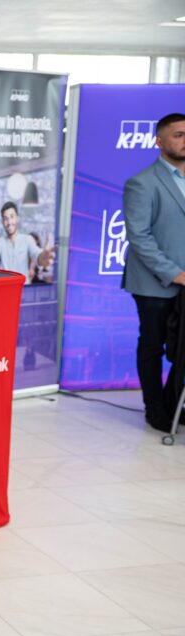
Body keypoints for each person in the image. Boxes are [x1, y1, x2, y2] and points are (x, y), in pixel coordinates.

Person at [122, 112, 185, 432]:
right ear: (160, 141)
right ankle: (155, 408)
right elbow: (139, 237)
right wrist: (174, 273)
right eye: (179, 135)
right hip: (154, 283)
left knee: (183, 348)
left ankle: (174, 404)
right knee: (153, 344)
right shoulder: (142, 183)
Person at [0, 201, 53, 283]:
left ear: (17, 219)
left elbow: (37, 255)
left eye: (12, 217)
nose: (9, 222)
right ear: (2, 222)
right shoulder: (0, 242)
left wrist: (43, 258)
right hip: (6, 288)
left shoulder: (27, 239)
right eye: (5, 218)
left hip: (24, 289)